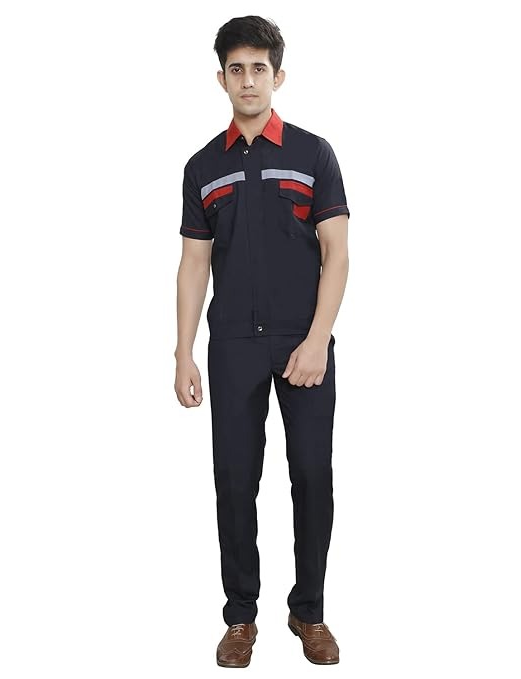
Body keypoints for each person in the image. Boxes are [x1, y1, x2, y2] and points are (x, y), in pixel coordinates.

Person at [174, 15, 350, 668]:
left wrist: (318, 339)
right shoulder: (202, 167)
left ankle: (309, 611)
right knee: (233, 479)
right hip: (231, 348)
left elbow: (337, 254)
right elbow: (194, 263)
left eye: (258, 68)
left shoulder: (313, 154)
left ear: (278, 76)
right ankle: (240, 617)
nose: (247, 80)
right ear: (221, 78)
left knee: (312, 477)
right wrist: (183, 351)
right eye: (236, 69)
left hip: (304, 344)